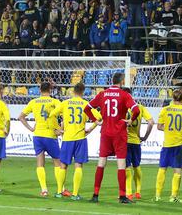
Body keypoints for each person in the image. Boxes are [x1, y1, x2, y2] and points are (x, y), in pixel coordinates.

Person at [84, 72, 139, 204]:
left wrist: (95, 121)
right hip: (119, 133)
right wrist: (131, 120)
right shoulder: (125, 94)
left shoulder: (102, 94)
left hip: (106, 133)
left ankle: (95, 195)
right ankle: (122, 196)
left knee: (101, 163)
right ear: (121, 82)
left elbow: (87, 108)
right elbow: (136, 110)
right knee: (121, 165)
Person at [50, 82, 100, 201]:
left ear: (73, 91)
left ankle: (58, 192)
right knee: (78, 166)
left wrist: (57, 129)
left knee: (63, 166)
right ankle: (75, 194)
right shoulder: (86, 104)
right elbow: (99, 117)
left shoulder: (65, 103)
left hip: (67, 138)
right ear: (83, 92)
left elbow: (52, 114)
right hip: (80, 138)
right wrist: (90, 129)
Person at [19, 82, 65, 197]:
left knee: (40, 163)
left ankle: (44, 190)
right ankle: (61, 189)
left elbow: (21, 117)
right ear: (51, 89)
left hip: (38, 136)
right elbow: (66, 116)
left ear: (39, 89)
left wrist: (31, 128)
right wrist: (60, 129)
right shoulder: (55, 102)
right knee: (57, 163)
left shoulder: (33, 102)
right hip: (50, 135)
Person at [155, 88, 182, 203]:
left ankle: (157, 195)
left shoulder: (165, 110)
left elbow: (159, 126)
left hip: (167, 144)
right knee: (177, 171)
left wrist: (168, 130)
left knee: (162, 169)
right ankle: (173, 196)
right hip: (180, 144)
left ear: (172, 97)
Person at [122, 87, 154, 201]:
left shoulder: (122, 108)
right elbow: (151, 122)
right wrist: (145, 136)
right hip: (136, 142)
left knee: (126, 167)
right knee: (137, 166)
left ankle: (129, 193)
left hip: (124, 142)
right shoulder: (140, 107)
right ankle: (138, 192)